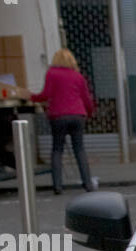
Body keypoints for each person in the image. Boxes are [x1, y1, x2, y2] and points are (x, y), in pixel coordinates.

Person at [27, 48, 97, 195]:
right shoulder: (78, 76)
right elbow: (86, 99)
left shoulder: (52, 74)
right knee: (80, 149)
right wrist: (89, 113)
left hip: (58, 116)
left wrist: (31, 97)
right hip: (78, 115)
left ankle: (57, 186)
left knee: (57, 150)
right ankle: (88, 183)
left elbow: (45, 94)